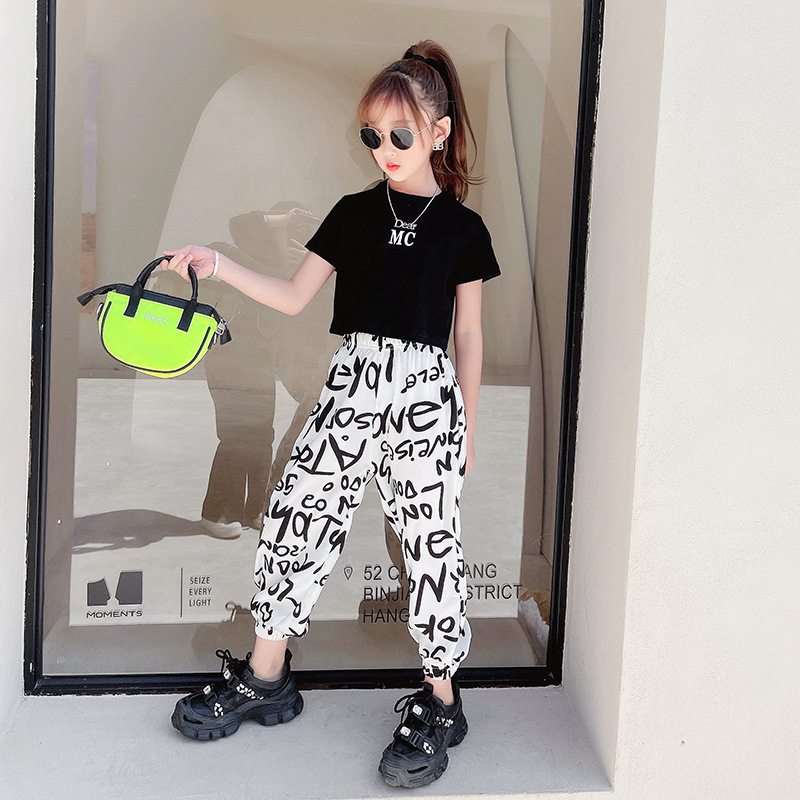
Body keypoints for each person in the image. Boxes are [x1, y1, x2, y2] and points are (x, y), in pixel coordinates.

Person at [162, 39, 501, 789]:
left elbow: (469, 336)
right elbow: (293, 296)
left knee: (429, 547)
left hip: (424, 397)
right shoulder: (352, 214)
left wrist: (469, 426)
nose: (385, 150)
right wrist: (219, 265)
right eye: (372, 135)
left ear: (439, 133)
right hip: (351, 384)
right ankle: (267, 674)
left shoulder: (462, 231)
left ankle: (442, 700)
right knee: (295, 519)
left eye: (401, 135)